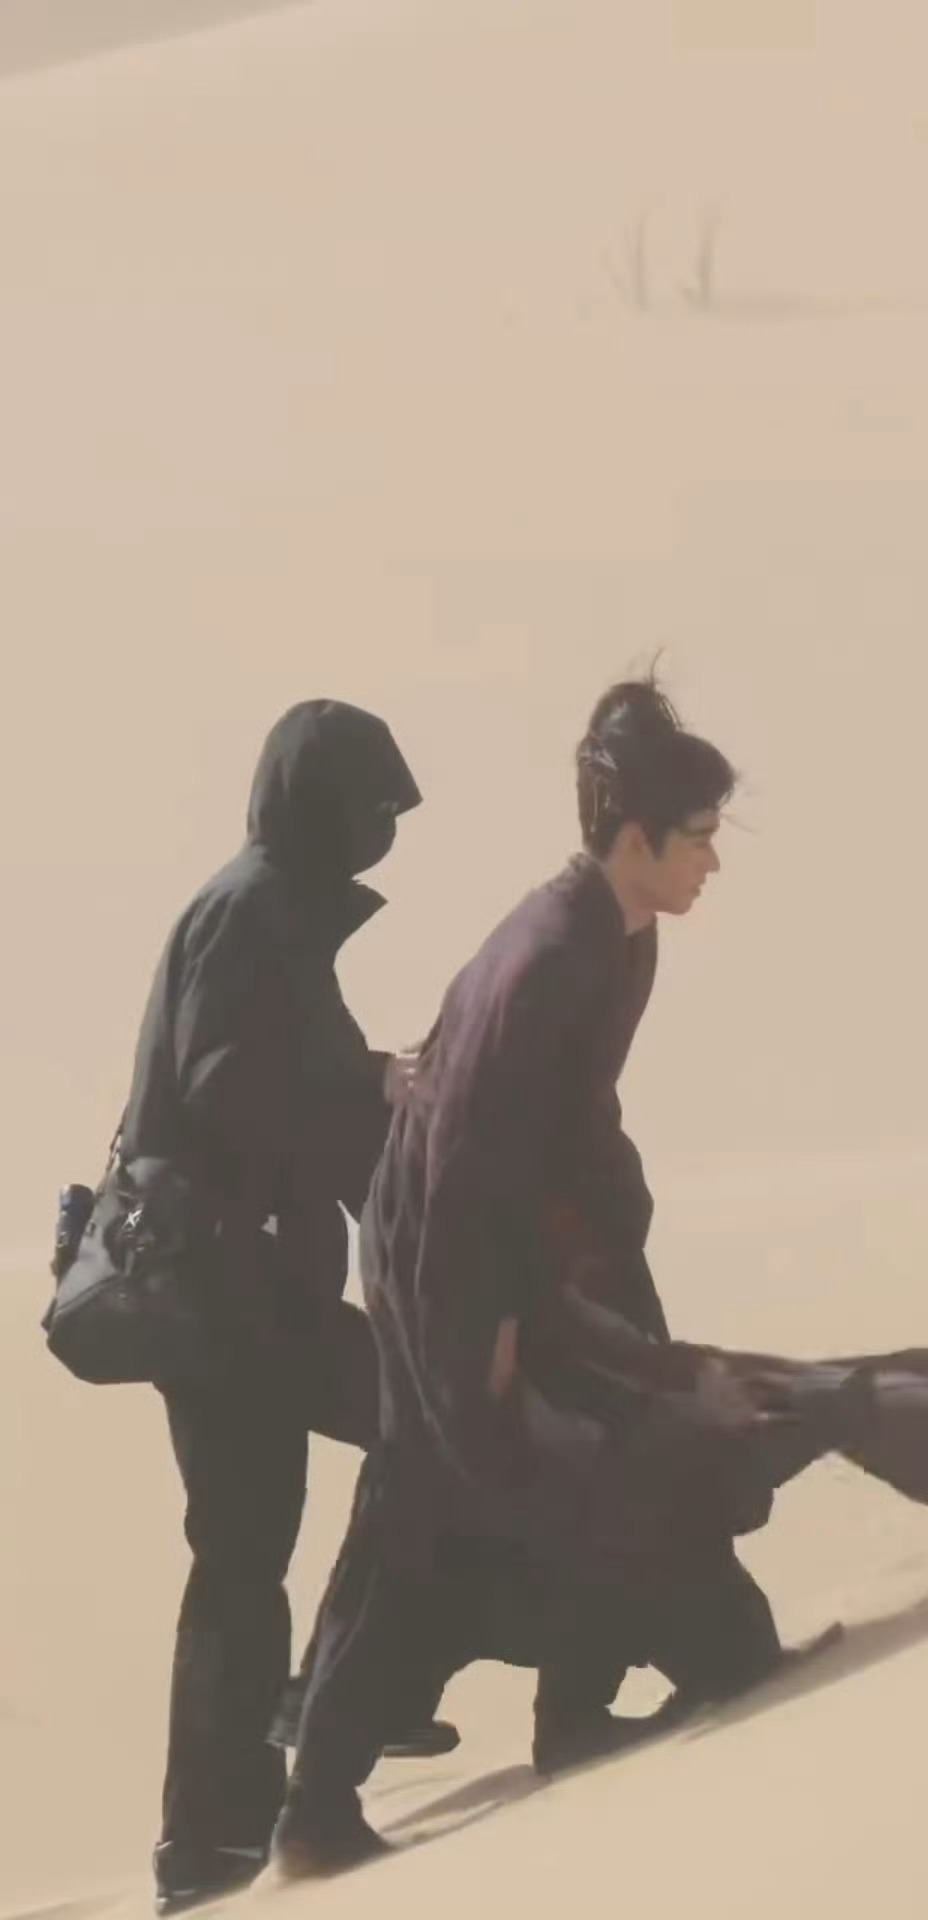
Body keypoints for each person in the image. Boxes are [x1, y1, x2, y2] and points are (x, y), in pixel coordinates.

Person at [270, 678, 928, 1879]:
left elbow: (572, 1113)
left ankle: (588, 1709)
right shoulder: (549, 952)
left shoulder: (622, 935)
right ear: (635, 840)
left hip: (521, 1246)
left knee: (608, 1450)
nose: (712, 862)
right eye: (697, 838)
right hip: (442, 1257)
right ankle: (317, 1813)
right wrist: (484, 1335)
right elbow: (467, 1157)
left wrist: (610, 1231)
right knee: (436, 1511)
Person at [109, 699, 451, 1916]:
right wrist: (369, 1079)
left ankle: (326, 1713)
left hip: (255, 1298)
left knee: (375, 1458)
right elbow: (232, 1092)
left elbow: (329, 1118)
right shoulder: (252, 913)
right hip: (221, 1304)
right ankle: (224, 1826)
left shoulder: (279, 915)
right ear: (317, 807)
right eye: (370, 806)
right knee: (260, 1541)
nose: (383, 829)